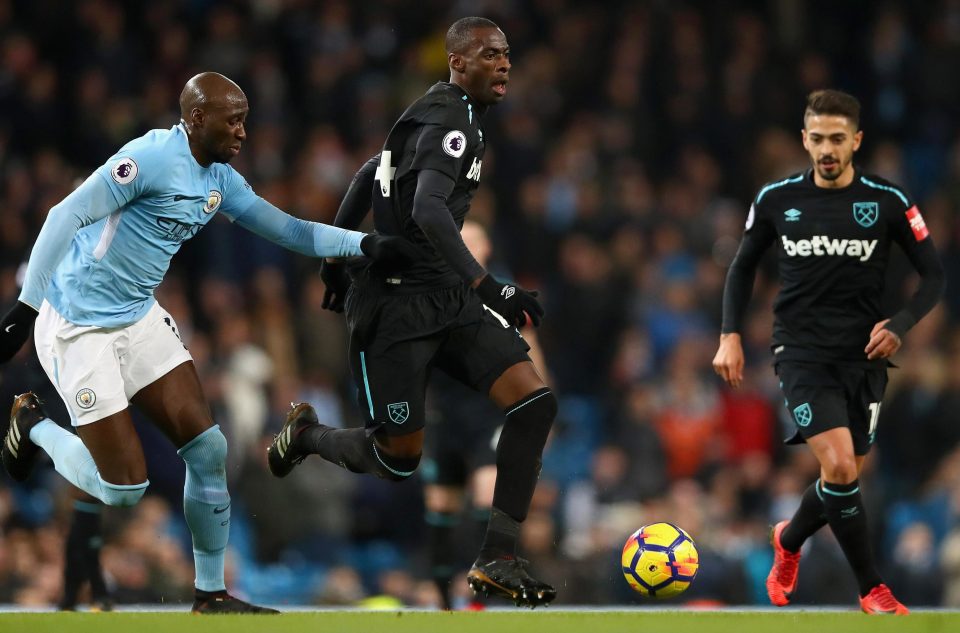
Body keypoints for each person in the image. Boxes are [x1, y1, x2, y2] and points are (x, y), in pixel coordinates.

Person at [0, 72, 415, 614]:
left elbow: (291, 231)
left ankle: (210, 593)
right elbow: (65, 214)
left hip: (137, 317)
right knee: (123, 490)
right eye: (233, 119)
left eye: (245, 118)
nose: (243, 131)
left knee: (209, 449)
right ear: (196, 118)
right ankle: (32, 428)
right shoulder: (148, 157)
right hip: (76, 323)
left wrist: (368, 244)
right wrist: (25, 309)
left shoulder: (220, 179)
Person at [267, 17, 558, 608]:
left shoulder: (434, 112)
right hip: (396, 309)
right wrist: (489, 284)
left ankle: (498, 556)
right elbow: (427, 209)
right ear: (457, 61)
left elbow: (366, 175)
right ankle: (306, 433)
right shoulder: (452, 118)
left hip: (445, 298)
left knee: (533, 402)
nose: (504, 64)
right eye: (490, 55)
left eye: (507, 55)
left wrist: (334, 253)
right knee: (396, 460)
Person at [712, 89, 945, 615]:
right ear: (804, 139)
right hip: (801, 353)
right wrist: (729, 334)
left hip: (865, 356)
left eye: (837, 139)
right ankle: (872, 587)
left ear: (856, 141)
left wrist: (902, 323)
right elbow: (742, 266)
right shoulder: (776, 198)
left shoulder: (888, 201)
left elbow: (934, 275)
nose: (826, 149)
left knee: (844, 477)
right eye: (817, 138)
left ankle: (788, 540)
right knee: (839, 466)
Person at [421, 220, 552, 610]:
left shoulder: (500, 294)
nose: (465, 245)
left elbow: (530, 347)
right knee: (441, 507)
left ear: (487, 247)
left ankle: (481, 600)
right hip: (446, 414)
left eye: (472, 239)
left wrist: (537, 408)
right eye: (460, 240)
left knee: (486, 491)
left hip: (489, 412)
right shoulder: (432, 290)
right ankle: (445, 604)